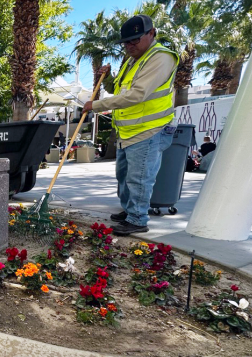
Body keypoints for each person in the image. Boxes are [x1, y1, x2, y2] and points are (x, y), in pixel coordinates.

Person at [83, 14, 179, 236]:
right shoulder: (133, 60)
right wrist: (105, 79)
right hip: (128, 131)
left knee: (140, 177)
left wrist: (96, 105)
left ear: (151, 33)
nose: (129, 45)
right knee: (124, 176)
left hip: (149, 130)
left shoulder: (160, 58)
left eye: (135, 40)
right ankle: (129, 211)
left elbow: (137, 95)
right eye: (126, 42)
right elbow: (119, 91)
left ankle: (137, 219)